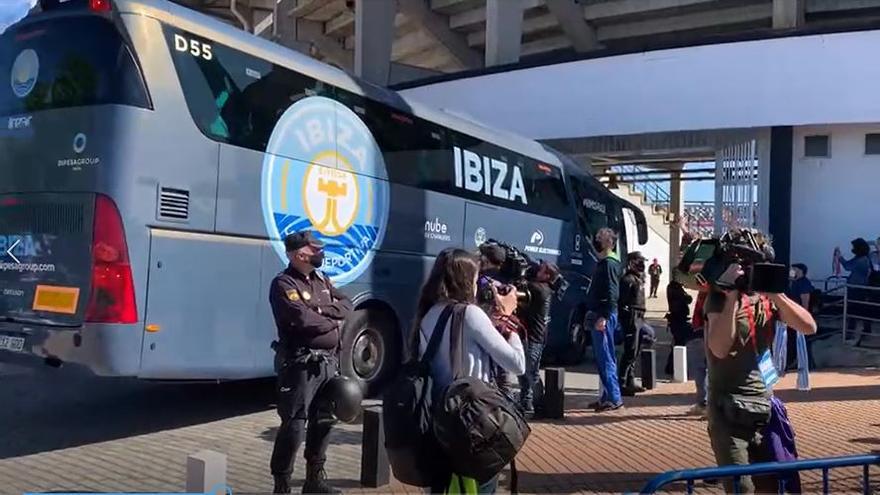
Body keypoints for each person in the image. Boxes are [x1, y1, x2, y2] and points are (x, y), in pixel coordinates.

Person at [704, 234, 817, 494]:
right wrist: (733, 295)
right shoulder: (719, 297)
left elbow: (808, 326)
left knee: (771, 486)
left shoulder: (768, 299)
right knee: (740, 488)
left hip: (763, 406)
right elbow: (719, 348)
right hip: (727, 409)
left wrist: (776, 295)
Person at [416, 248, 526, 494]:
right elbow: (517, 363)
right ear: (465, 281)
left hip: (439, 424)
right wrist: (509, 318)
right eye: (476, 280)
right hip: (472, 425)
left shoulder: (428, 313)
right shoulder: (470, 314)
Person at [268, 231, 353, 494]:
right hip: (300, 365)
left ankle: (314, 480)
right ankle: (282, 485)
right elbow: (302, 320)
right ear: (298, 255)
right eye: (314, 249)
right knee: (294, 425)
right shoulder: (284, 284)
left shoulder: (321, 279)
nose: (320, 254)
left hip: (328, 363)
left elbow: (347, 304)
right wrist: (330, 320)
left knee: (324, 421)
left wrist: (320, 311)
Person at [584, 227, 624, 412]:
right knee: (603, 357)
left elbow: (611, 292)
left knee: (606, 357)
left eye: (598, 239)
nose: (595, 242)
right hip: (601, 313)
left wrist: (605, 317)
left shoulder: (608, 264)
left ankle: (614, 398)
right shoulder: (607, 262)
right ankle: (607, 396)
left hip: (603, 315)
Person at [517, 261, 559, 416]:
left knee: (532, 373)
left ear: (547, 276)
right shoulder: (543, 288)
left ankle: (540, 406)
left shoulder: (539, 289)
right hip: (533, 335)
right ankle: (526, 401)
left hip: (534, 338)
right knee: (523, 371)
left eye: (540, 270)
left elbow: (521, 286)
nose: (536, 272)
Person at [618, 251, 648, 396]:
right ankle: (622, 382)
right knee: (630, 350)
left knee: (635, 350)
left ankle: (630, 381)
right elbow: (622, 302)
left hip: (640, 315)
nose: (642, 265)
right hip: (631, 316)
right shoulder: (627, 280)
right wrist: (627, 318)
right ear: (631, 262)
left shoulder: (639, 279)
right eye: (638, 261)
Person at [835, 238, 873, 340]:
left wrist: (840, 257)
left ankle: (850, 332)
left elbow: (848, 266)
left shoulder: (861, 259)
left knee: (854, 310)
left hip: (857, 288)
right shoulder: (863, 258)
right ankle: (863, 330)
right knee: (861, 309)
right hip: (858, 287)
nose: (852, 249)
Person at [785, 263, 815, 369]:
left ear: (800, 271)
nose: (792, 271)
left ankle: (808, 364)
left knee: (803, 341)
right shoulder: (794, 282)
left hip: (799, 316)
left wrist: (803, 317)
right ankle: (795, 361)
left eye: (794, 269)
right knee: (794, 340)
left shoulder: (804, 283)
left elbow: (805, 302)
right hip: (793, 315)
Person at [686, 289, 709, 417]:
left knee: (700, 369)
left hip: (703, 333)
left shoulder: (707, 292)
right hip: (709, 333)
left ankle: (704, 404)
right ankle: (705, 404)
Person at [665, 278, 693, 376]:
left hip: (678, 319)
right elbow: (687, 299)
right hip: (678, 319)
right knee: (679, 343)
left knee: (678, 343)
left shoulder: (676, 287)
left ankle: (671, 367)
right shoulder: (675, 288)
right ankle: (672, 367)